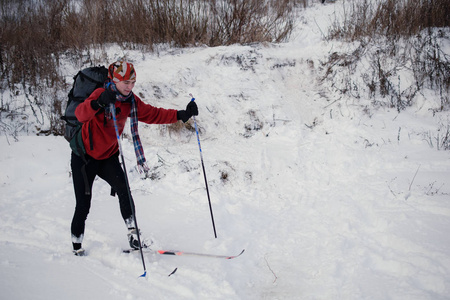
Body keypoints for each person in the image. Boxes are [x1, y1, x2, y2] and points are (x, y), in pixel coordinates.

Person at [70, 61, 198, 256]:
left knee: (124, 190)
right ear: (114, 80)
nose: (129, 87)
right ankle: (77, 246)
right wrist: (99, 102)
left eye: (133, 82)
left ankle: (133, 235)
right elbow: (80, 115)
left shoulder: (130, 101)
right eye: (125, 82)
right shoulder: (100, 94)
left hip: (108, 156)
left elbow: (153, 114)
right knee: (83, 204)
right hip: (84, 157)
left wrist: (181, 114)